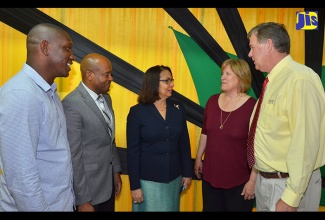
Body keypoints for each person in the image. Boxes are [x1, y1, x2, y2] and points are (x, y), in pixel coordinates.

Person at [247, 22, 325, 212]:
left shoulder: (300, 80)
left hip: (288, 185)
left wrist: (291, 197)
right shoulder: (272, 81)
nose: (250, 54)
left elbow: (305, 143)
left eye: (252, 47)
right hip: (267, 182)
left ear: (269, 45)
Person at [0, 23, 75, 211]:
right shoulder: (21, 94)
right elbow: (22, 178)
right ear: (44, 47)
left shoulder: (48, 92)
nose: (72, 57)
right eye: (67, 48)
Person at [126, 65, 192, 212]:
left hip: (174, 179)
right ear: (154, 83)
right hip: (148, 181)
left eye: (171, 80)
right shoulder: (137, 112)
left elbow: (184, 143)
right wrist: (135, 186)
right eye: (167, 81)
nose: (172, 84)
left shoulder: (178, 108)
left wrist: (187, 172)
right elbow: (133, 152)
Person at [194, 59, 257, 212]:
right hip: (210, 176)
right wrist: (198, 158)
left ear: (241, 79)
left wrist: (253, 180)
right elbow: (205, 132)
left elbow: (258, 147)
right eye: (223, 73)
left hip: (239, 181)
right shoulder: (212, 101)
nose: (222, 77)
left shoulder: (252, 106)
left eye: (228, 74)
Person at [62, 53, 122, 212]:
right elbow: (73, 155)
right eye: (106, 74)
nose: (111, 78)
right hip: (89, 191)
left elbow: (110, 138)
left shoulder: (106, 99)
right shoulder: (72, 104)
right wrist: (82, 200)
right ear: (89, 75)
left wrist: (115, 170)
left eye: (111, 74)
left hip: (107, 185)